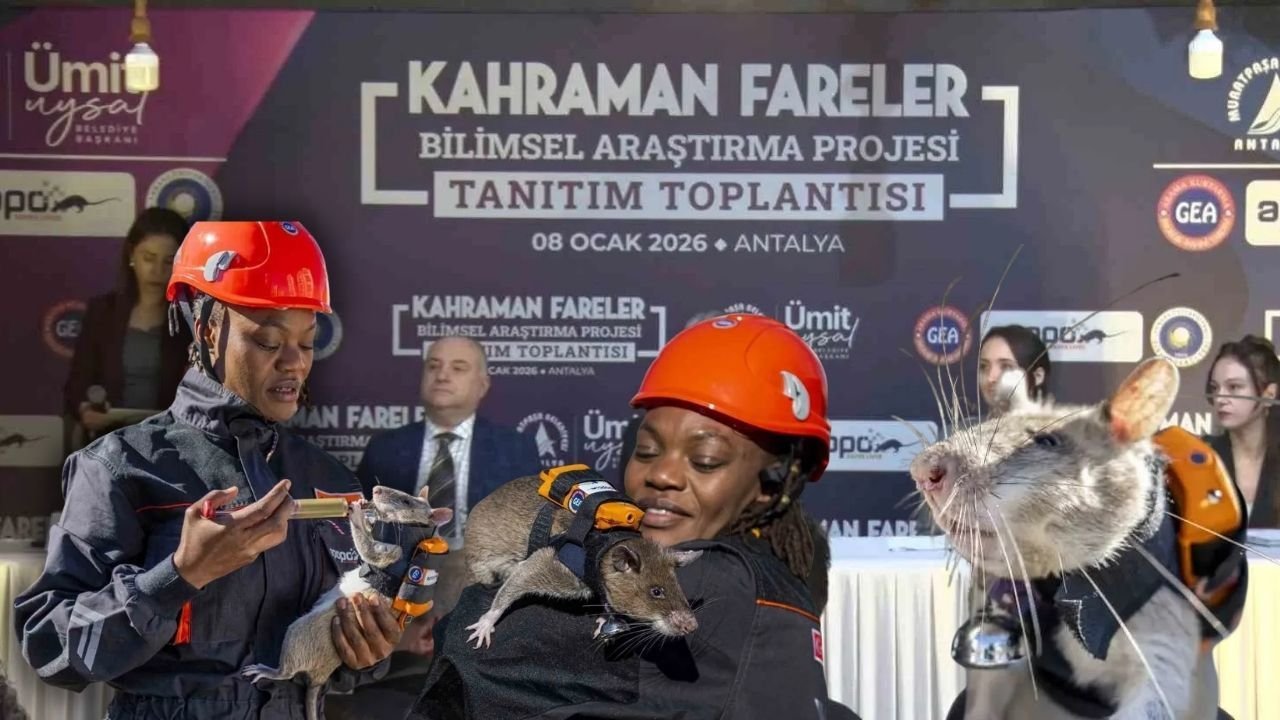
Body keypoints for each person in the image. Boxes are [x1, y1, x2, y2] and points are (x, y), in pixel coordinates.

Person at [14, 221, 400, 719]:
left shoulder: (330, 480)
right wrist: (180, 575)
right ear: (208, 331)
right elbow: (51, 647)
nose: (294, 363)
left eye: (306, 344)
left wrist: (366, 651)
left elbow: (334, 657)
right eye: (268, 341)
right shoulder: (120, 466)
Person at [409, 313, 860, 719]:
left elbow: (470, 656)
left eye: (705, 459)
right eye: (645, 450)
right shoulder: (781, 580)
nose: (662, 474)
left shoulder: (715, 582)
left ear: (777, 480)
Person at [64, 208, 194, 442]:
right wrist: (86, 410)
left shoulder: (192, 317)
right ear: (132, 255)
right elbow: (77, 383)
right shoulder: (103, 312)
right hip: (108, 439)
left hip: (171, 440)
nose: (157, 271)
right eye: (149, 258)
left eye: (168, 261)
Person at [1205, 334, 1280, 528]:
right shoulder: (1202, 456)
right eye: (1215, 388)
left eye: (1234, 387)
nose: (1220, 398)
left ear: (1269, 394)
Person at [976, 324, 1052, 411]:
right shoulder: (969, 420)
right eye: (984, 367)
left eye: (1006, 367)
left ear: (1038, 376)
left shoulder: (1059, 419)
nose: (990, 378)